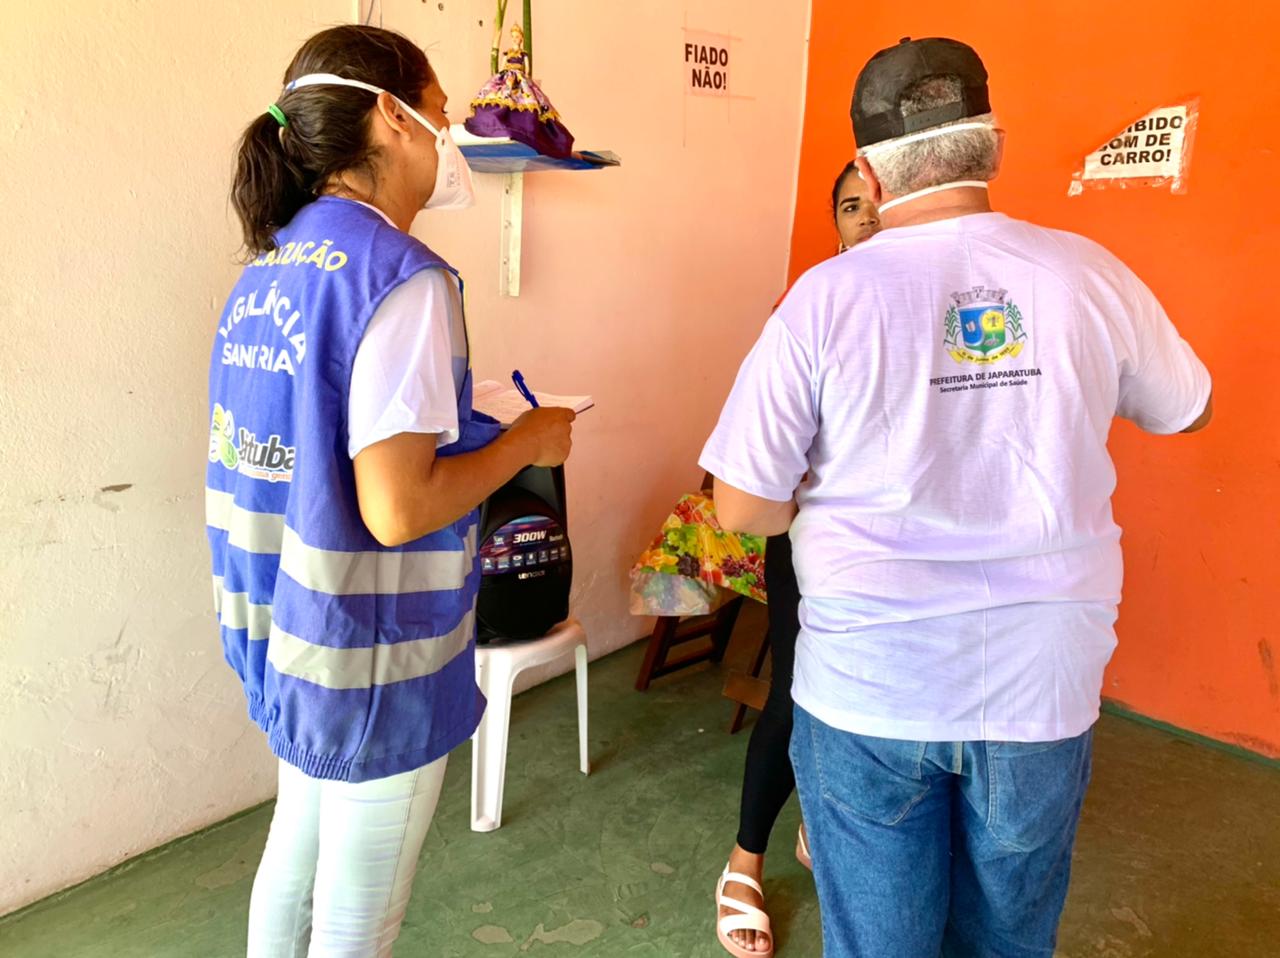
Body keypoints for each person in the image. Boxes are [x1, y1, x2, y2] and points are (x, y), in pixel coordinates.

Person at [701, 36, 1211, 958]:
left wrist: (813, 499)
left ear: (868, 173)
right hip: (1041, 683)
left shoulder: (823, 300)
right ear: (993, 147)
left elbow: (740, 507)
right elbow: (1187, 407)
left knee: (881, 943)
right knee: (1009, 939)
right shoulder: (1088, 273)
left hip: (871, 683)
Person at [207, 25, 575, 957]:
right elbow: (398, 509)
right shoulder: (400, 278)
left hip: (283, 632)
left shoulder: (270, 266)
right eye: (442, 111)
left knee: (295, 853)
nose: (453, 135)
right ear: (391, 116)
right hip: (372, 653)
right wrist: (527, 443)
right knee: (355, 920)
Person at [715, 168, 881, 958]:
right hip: (812, 538)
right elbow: (762, 453)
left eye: (878, 203)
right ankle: (744, 859)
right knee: (795, 691)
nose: (868, 217)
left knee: (874, 695)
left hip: (903, 552)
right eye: (851, 206)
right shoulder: (810, 302)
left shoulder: (947, 297)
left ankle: (820, 820)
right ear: (835, 223)